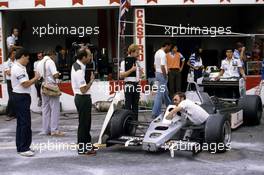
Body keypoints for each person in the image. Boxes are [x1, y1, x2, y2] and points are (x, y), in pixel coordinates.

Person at [11, 48, 40, 157]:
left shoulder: (20, 67)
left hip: (21, 97)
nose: (28, 61)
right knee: (25, 123)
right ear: (22, 56)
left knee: (21, 123)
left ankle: (22, 146)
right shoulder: (18, 68)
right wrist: (36, 78)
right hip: (20, 97)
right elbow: (25, 84)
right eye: (27, 58)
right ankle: (23, 148)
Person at [71, 48, 96, 156]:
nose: (90, 58)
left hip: (81, 98)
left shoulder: (77, 65)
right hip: (82, 97)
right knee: (84, 124)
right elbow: (83, 89)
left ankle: (86, 144)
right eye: (89, 56)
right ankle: (83, 148)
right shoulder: (79, 70)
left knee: (86, 123)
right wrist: (91, 80)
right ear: (84, 57)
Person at [37, 50, 64, 137]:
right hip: (51, 87)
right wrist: (59, 73)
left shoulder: (39, 63)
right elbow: (55, 75)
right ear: (52, 55)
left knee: (45, 109)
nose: (55, 57)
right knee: (55, 109)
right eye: (55, 56)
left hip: (43, 86)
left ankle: (46, 129)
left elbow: (37, 76)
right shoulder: (50, 62)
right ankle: (54, 130)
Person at [120, 44, 144, 121]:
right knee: (128, 105)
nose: (138, 54)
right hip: (128, 84)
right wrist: (131, 70)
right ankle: (127, 122)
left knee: (135, 105)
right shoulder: (124, 62)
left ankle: (135, 122)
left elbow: (140, 76)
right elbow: (121, 75)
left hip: (136, 84)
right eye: (137, 52)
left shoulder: (137, 62)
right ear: (132, 52)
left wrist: (141, 72)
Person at [152, 41, 172, 118]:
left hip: (157, 73)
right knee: (160, 94)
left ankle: (169, 106)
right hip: (162, 75)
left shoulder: (157, 52)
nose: (169, 49)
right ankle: (155, 113)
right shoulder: (163, 54)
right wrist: (165, 75)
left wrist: (158, 72)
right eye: (169, 47)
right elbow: (162, 66)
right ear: (166, 46)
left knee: (165, 92)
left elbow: (154, 64)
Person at [4, 49, 16, 121]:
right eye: (13, 53)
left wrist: (13, 71)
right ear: (10, 54)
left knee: (15, 98)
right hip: (10, 82)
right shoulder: (6, 63)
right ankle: (8, 113)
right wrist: (15, 71)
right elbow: (8, 73)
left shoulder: (16, 62)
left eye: (15, 53)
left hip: (16, 81)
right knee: (11, 98)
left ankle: (14, 113)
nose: (15, 55)